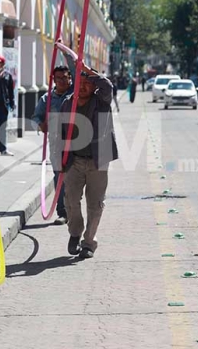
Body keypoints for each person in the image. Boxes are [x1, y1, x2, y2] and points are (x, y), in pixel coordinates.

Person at [55, 45, 118, 259]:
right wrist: (59, 159)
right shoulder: (67, 104)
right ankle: (75, 232)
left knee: (95, 204)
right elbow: (60, 134)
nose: (83, 87)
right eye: (80, 83)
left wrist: (87, 69)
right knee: (70, 200)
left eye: (88, 83)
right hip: (74, 160)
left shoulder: (101, 101)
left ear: (93, 87)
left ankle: (89, 243)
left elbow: (107, 85)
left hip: (99, 160)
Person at [32, 65, 73, 225]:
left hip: (78, 143)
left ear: (70, 78)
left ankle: (74, 210)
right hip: (56, 144)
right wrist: (40, 125)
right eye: (59, 78)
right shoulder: (46, 99)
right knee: (60, 177)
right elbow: (35, 117)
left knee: (76, 178)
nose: (63, 81)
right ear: (54, 80)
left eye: (65, 77)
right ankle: (63, 212)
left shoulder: (76, 93)